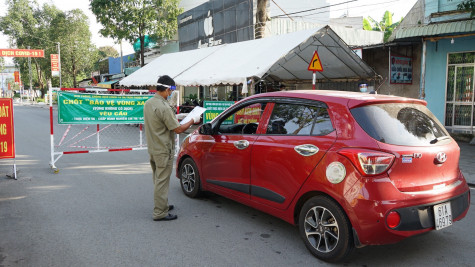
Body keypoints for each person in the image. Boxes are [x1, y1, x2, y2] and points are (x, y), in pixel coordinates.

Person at [143, 75, 200, 221]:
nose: (170, 94)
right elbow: (178, 130)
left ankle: (163, 205)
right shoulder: (163, 107)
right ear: (167, 89)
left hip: (153, 147)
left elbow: (164, 123)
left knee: (158, 179)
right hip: (163, 149)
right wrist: (193, 120)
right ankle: (159, 212)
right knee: (162, 181)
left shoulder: (149, 103)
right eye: (171, 91)